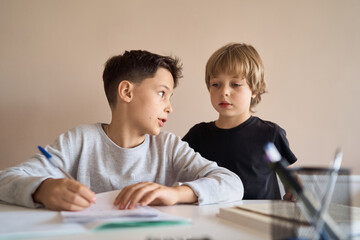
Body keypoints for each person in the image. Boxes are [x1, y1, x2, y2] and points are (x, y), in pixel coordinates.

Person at [0, 50, 244, 211]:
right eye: (162, 93)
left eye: (170, 97)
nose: (169, 107)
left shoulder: (168, 147)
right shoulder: (79, 141)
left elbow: (232, 183)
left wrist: (177, 193)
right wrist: (42, 190)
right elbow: (5, 179)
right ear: (126, 92)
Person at [182, 43, 297, 200]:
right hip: (211, 217)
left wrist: (294, 193)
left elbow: (289, 178)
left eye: (235, 84)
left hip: (259, 218)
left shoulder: (269, 134)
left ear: (254, 90)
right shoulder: (198, 135)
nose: (224, 92)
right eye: (216, 84)